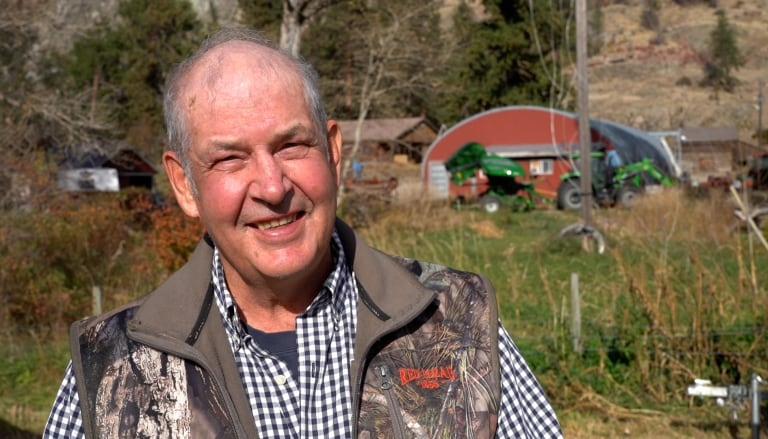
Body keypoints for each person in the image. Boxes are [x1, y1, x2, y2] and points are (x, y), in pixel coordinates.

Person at [44, 28, 562, 438]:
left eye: (292, 146)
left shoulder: (457, 319)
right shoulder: (111, 366)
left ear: (333, 152)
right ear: (184, 184)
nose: (272, 186)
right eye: (230, 158)